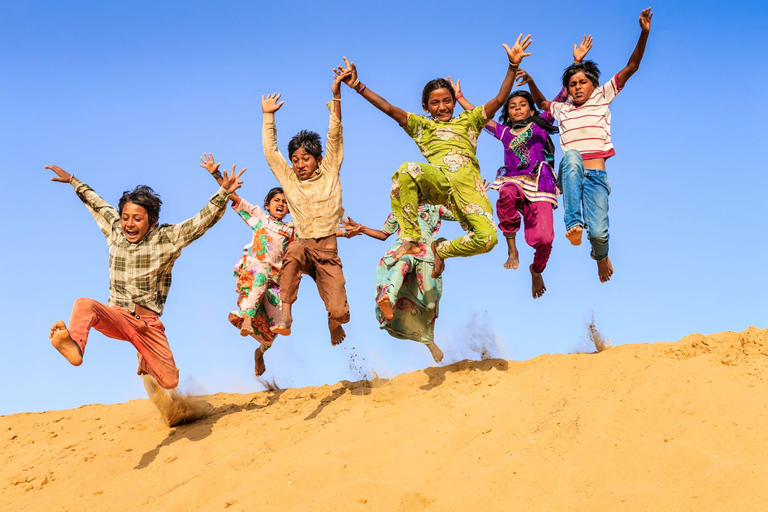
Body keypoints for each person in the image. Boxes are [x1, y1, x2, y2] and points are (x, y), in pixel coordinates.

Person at [336, 34, 533, 279]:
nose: (442, 107)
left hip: (470, 190)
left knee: (488, 240)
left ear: (454, 102)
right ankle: (410, 238)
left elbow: (500, 99)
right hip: (439, 183)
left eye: (447, 101)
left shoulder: (469, 121)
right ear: (425, 107)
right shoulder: (423, 126)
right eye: (435, 103)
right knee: (406, 170)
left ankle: (440, 249)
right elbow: (388, 108)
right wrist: (358, 85)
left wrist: (512, 67)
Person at [45, 160, 245, 390]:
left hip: (148, 326)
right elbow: (97, 204)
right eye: (126, 217)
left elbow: (199, 222)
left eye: (137, 219)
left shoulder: (166, 238)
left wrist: (223, 193)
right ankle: (75, 346)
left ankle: (146, 362)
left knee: (170, 382)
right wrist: (72, 180)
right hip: (117, 317)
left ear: (152, 221)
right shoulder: (116, 230)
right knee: (83, 304)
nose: (129, 223)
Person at [447, 37, 592, 298]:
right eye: (512, 106)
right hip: (515, 181)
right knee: (506, 192)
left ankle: (536, 270)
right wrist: (459, 97)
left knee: (545, 241)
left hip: (541, 186)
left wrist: (576, 63)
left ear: (530, 108)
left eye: (522, 104)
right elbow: (479, 116)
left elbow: (562, 94)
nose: (516, 108)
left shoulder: (542, 122)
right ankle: (511, 246)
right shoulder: (503, 132)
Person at [527, 8, 653, 282]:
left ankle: (601, 256)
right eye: (572, 84)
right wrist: (532, 81)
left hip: (596, 176)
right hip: (572, 173)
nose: (577, 87)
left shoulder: (602, 97)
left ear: (594, 84)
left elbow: (632, 67)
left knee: (598, 233)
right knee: (570, 155)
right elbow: (539, 104)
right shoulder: (562, 109)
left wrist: (643, 34)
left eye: (582, 82)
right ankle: (573, 223)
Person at [260, 65, 353, 345]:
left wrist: (336, 96)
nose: (299, 164)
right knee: (294, 251)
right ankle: (285, 315)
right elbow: (271, 154)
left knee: (340, 311)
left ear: (317, 158)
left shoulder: (330, 170)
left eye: (305, 159)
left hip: (328, 251)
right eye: (296, 159)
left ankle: (333, 321)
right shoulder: (289, 180)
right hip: (304, 245)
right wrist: (268, 117)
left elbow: (335, 136)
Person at [201, 154, 294, 376]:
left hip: (274, 280)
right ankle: (247, 319)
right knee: (260, 273)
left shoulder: (292, 230)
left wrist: (346, 232)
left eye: (285, 202)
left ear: (290, 209)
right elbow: (233, 197)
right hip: (254, 271)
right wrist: (215, 174)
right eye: (276, 201)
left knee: (276, 327)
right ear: (267, 205)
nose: (280, 204)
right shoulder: (259, 218)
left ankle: (260, 352)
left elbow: (315, 236)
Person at [345, 204, 457, 363]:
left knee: (430, 303)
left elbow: (459, 214)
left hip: (427, 255)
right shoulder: (400, 209)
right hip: (402, 251)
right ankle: (388, 301)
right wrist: (360, 228)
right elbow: (384, 234)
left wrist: (474, 196)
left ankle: (428, 340)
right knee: (400, 268)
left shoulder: (435, 207)